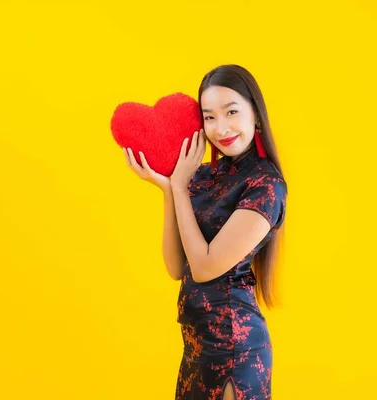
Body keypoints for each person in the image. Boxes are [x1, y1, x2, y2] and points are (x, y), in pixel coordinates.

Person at [123, 64, 287, 400]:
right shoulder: (200, 174)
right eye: (209, 117)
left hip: (234, 351)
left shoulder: (265, 184)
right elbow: (176, 266)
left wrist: (181, 189)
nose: (220, 127)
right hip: (195, 348)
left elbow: (205, 267)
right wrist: (169, 189)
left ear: (255, 114)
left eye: (231, 112)